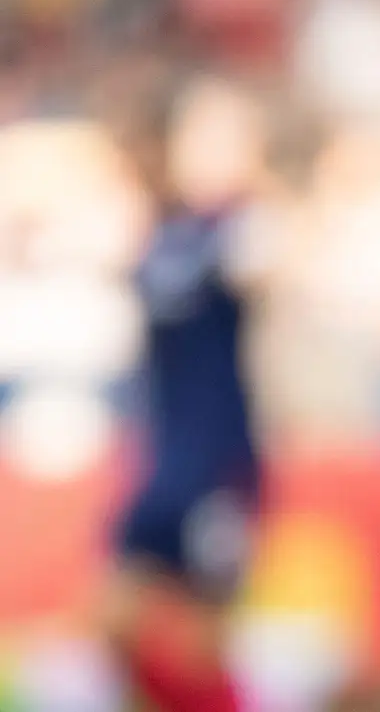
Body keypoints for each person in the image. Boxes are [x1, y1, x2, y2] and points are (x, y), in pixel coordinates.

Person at [103, 77, 266, 712]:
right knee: (113, 626)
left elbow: (269, 269)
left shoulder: (247, 230)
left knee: (205, 642)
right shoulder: (157, 232)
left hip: (220, 465)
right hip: (162, 461)